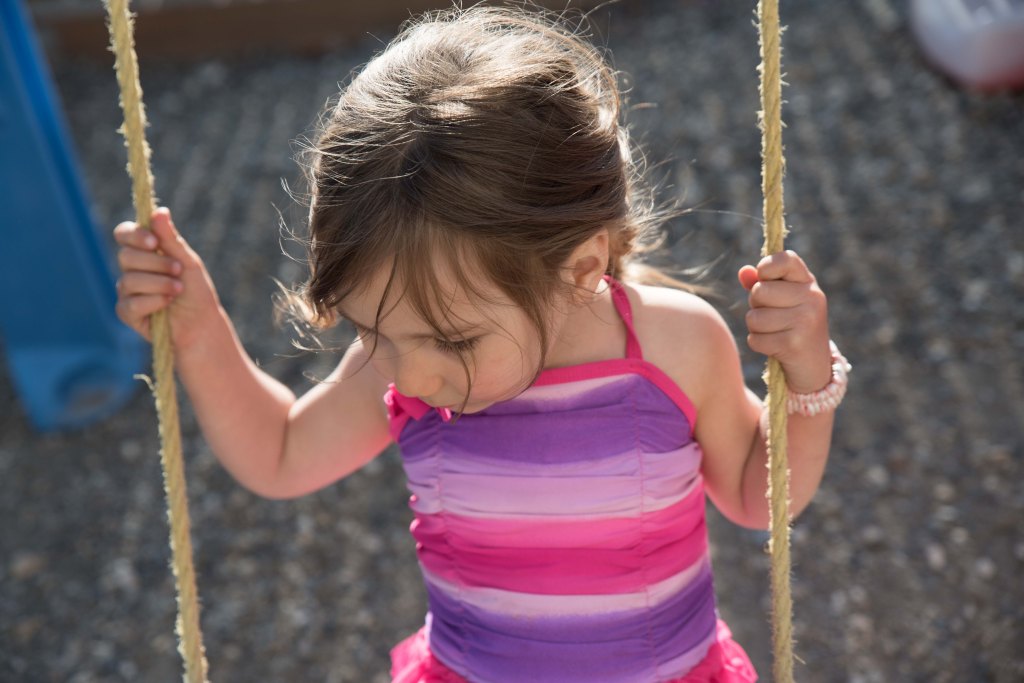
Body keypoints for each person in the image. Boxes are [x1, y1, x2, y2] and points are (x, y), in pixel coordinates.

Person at [113, 6, 849, 682]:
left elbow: (759, 495)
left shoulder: (673, 346)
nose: (412, 377)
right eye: (373, 331)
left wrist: (807, 376)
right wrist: (199, 332)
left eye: (454, 341)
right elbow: (279, 453)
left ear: (580, 269)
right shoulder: (398, 363)